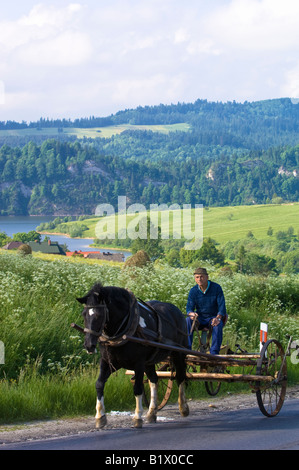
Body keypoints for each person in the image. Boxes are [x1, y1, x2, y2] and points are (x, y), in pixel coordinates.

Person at [186, 267, 227, 354]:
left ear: (207, 277)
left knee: (218, 325)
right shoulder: (193, 291)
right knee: (188, 320)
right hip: (200, 318)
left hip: (212, 318)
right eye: (197, 277)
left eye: (201, 277)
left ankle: (214, 353)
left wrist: (218, 317)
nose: (199, 279)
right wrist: (191, 313)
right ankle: (187, 349)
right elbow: (189, 308)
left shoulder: (216, 288)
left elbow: (222, 307)